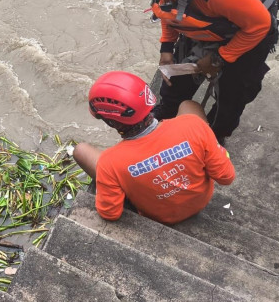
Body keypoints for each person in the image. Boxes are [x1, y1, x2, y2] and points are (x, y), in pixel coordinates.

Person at [107, 0, 279, 144]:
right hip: (211, 19)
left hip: (249, 27)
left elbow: (261, 25)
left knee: (233, 90)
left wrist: (219, 59)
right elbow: (166, 8)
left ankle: (217, 133)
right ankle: (166, 113)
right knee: (176, 77)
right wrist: (167, 48)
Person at [73, 71, 235, 225]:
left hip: (159, 215)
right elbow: (226, 177)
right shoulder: (194, 126)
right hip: (199, 202)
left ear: (111, 122)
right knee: (189, 105)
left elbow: (110, 213)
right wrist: (209, 149)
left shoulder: (110, 163)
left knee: (80, 150)